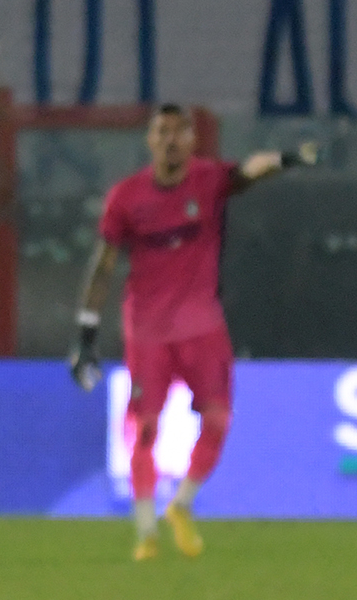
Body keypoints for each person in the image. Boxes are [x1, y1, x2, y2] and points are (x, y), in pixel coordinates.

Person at [70, 106, 317, 561]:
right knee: (144, 429)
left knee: (218, 420)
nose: (170, 140)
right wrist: (85, 335)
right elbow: (103, 265)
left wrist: (287, 159)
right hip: (147, 331)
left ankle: (181, 505)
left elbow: (250, 170)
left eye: (179, 132)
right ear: (150, 140)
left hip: (202, 328)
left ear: (191, 141)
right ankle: (146, 531)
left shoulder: (209, 181)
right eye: (162, 132)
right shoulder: (126, 197)